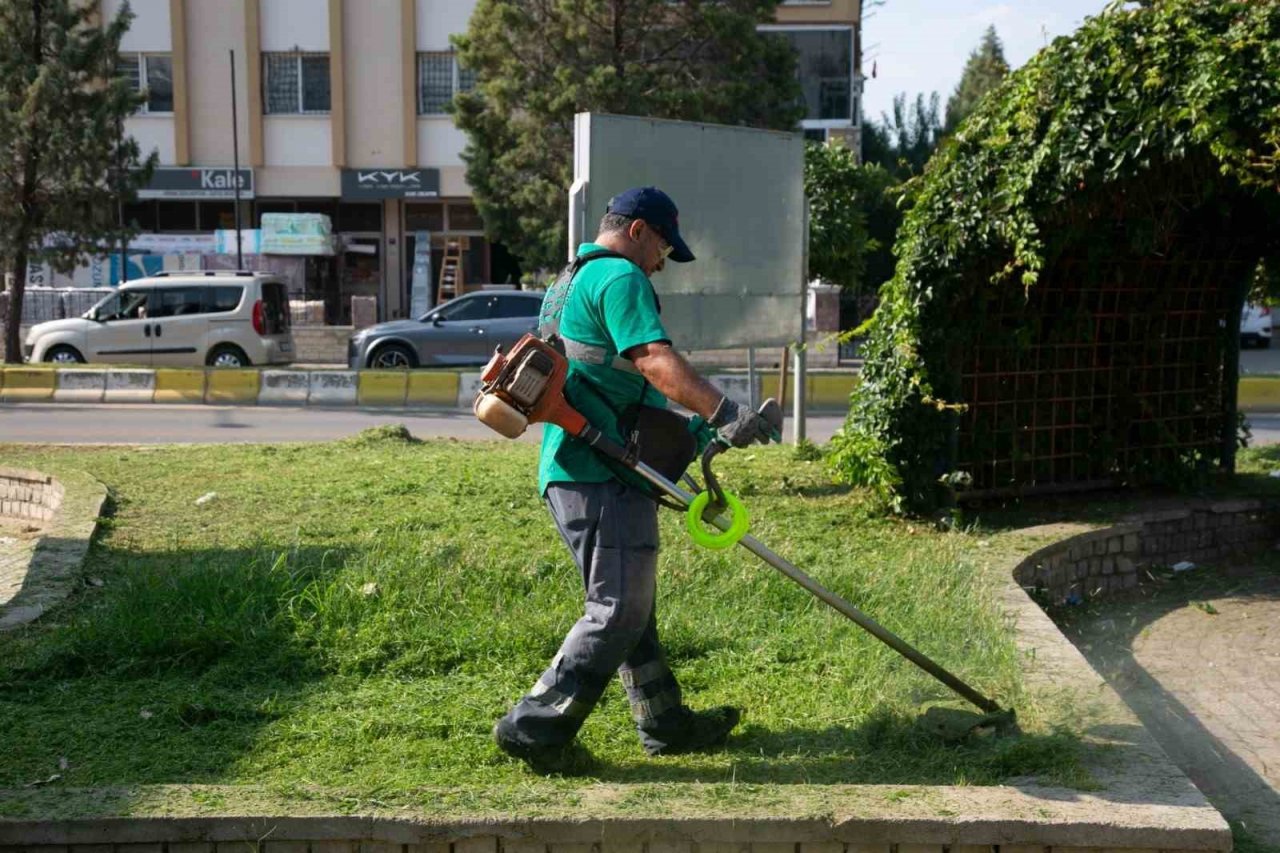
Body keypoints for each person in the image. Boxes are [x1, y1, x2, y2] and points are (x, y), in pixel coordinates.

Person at [493, 187, 779, 771]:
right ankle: (534, 726)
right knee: (619, 606)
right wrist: (722, 412)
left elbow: (616, 387)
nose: (660, 264)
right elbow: (651, 360)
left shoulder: (569, 280)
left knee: (631, 607)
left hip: (580, 464)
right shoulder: (620, 277)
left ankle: (664, 721)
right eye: (663, 249)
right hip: (599, 472)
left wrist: (697, 437)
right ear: (639, 231)